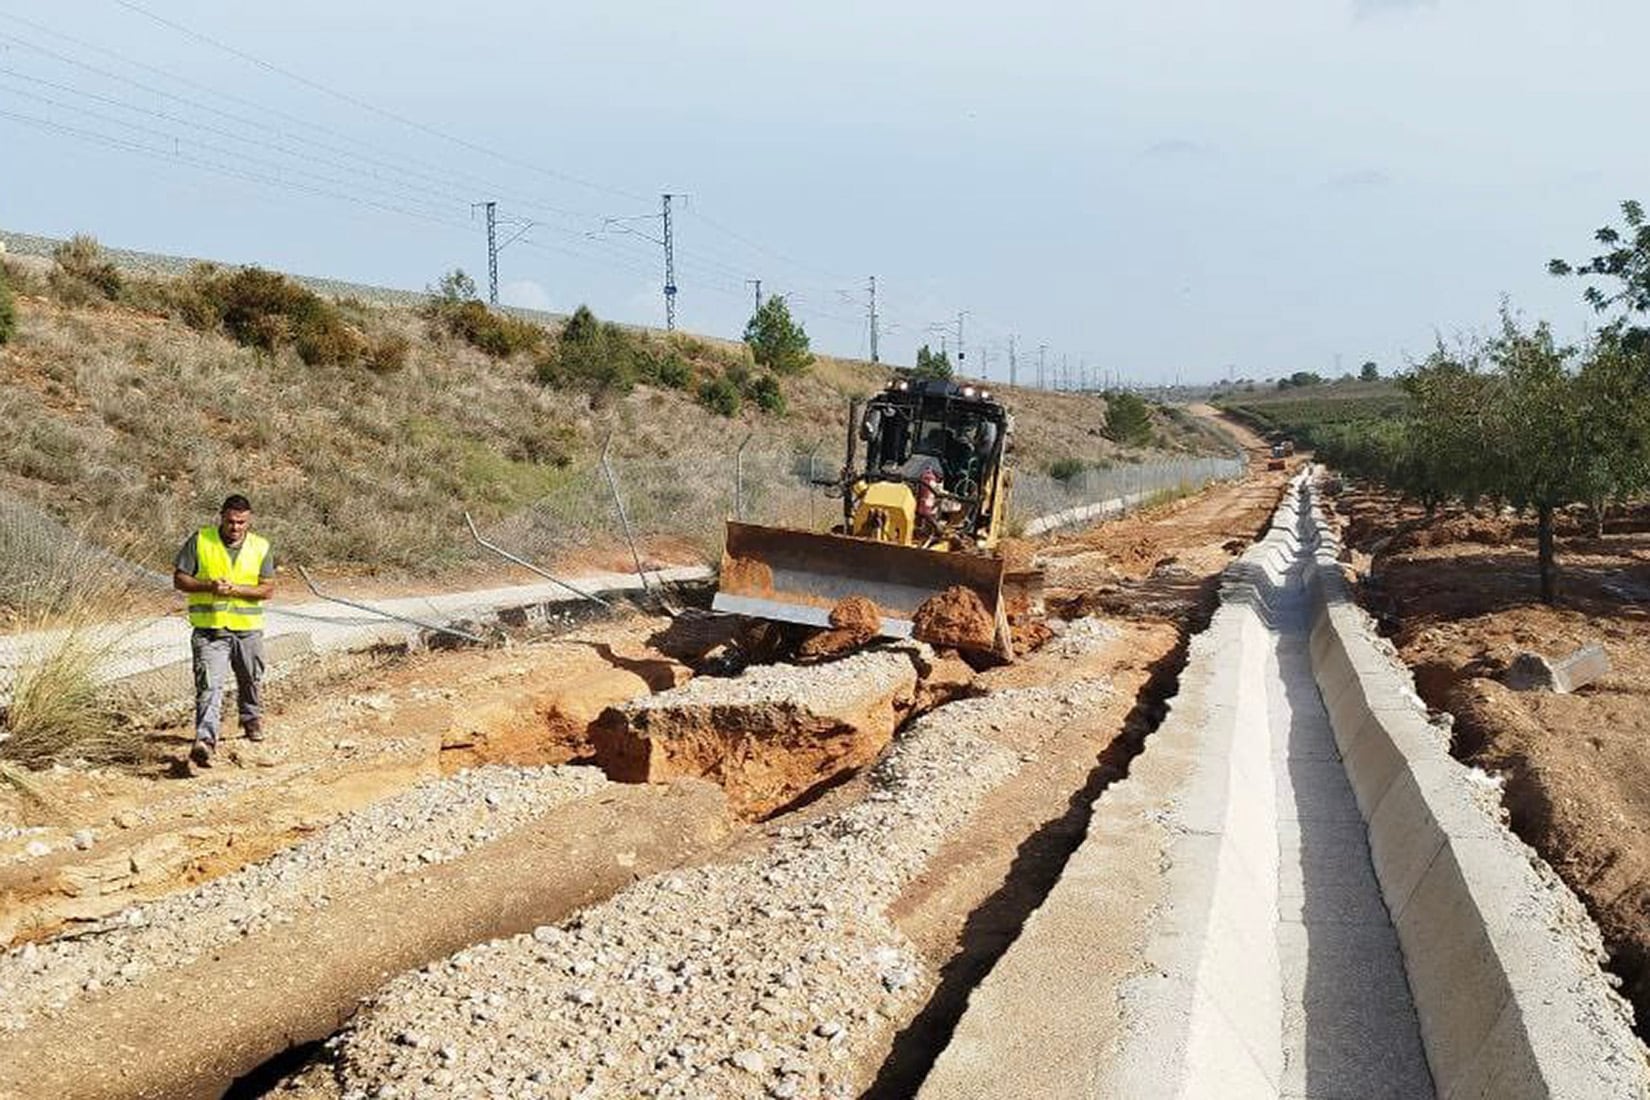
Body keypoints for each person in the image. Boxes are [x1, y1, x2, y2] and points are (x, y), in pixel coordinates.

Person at [172, 494, 276, 769]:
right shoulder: (201, 540)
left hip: (247, 630)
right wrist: (209, 586)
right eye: (230, 521)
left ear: (249, 520)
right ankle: (205, 741)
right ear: (221, 517)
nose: (235, 527)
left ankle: (251, 718)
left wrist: (238, 590)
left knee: (251, 677)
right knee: (209, 685)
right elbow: (180, 579)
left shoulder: (260, 547)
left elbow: (267, 588)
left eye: (241, 522)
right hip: (210, 630)